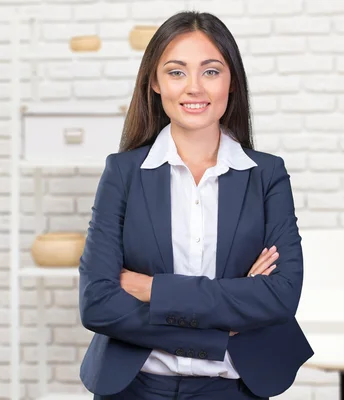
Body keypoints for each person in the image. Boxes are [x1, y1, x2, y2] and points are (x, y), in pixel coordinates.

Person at [78, 10, 313, 400]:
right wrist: (221, 323)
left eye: (210, 71)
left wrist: (152, 289)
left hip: (233, 388)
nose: (194, 88)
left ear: (231, 81)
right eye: (176, 72)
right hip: (132, 387)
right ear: (154, 82)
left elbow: (280, 296)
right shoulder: (123, 172)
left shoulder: (267, 175)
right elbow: (98, 305)